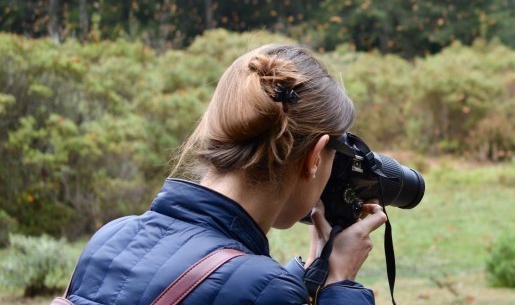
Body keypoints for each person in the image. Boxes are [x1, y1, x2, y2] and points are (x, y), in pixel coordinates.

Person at [64, 44, 387, 304]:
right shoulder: (266, 288)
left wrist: (313, 270)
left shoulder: (111, 239)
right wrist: (340, 282)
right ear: (315, 157)